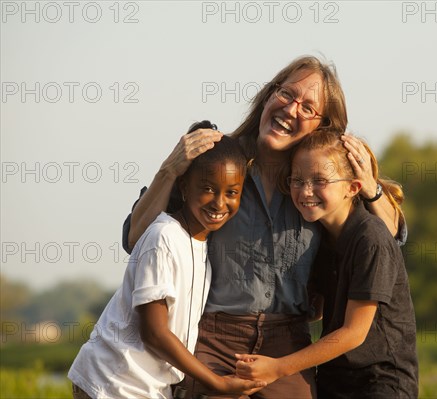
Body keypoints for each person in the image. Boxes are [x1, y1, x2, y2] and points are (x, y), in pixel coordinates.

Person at [122, 56, 404, 398]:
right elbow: (135, 239)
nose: (291, 109)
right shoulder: (217, 161)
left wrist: (371, 186)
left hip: (287, 343)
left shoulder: (317, 186)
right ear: (268, 96)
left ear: (323, 125)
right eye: (287, 94)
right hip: (213, 338)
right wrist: (170, 169)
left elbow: (388, 236)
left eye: (308, 107)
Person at [69, 124, 266, 399]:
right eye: (208, 189)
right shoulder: (163, 237)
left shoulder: (202, 247)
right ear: (184, 187)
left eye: (231, 192)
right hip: (112, 382)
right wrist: (218, 383)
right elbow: (154, 333)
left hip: (144, 387)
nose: (220, 204)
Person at [235, 130, 418, 398]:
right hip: (334, 378)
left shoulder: (371, 238)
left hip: (380, 381)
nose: (306, 191)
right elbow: (318, 310)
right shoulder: (318, 237)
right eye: (297, 180)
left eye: (319, 180)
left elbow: (354, 332)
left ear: (352, 187)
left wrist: (278, 368)